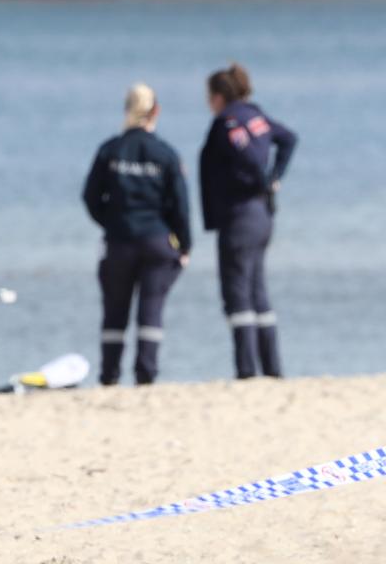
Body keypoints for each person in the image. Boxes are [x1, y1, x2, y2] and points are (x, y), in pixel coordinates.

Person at [83, 83, 191, 386]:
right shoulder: (166, 154)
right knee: (151, 310)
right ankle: (146, 375)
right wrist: (185, 245)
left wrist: (111, 222)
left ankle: (109, 375)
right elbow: (180, 206)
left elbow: (90, 197)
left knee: (114, 312)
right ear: (155, 111)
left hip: (119, 241)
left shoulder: (110, 150)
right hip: (157, 240)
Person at [199, 64, 297, 379]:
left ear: (217, 96)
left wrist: (263, 178)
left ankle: (246, 371)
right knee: (257, 291)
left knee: (237, 293)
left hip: (240, 215)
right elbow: (289, 139)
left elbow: (250, 158)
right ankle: (273, 369)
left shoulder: (227, 123)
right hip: (262, 215)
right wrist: (274, 178)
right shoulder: (256, 116)